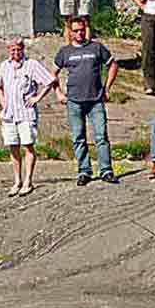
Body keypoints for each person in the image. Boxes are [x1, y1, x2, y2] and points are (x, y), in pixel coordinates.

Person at [52, 15, 119, 186]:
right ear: (70, 32)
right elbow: (52, 73)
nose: (79, 33)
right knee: (78, 137)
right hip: (74, 101)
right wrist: (59, 93)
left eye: (82, 30)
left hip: (96, 100)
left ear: (86, 29)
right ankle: (84, 171)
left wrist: (107, 88)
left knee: (101, 136)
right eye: (76, 31)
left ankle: (106, 170)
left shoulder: (96, 47)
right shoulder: (64, 52)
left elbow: (112, 65)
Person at [0, 37, 57, 196]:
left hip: (26, 114)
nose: (16, 52)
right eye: (13, 49)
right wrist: (2, 101)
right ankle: (17, 181)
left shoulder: (32, 64)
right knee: (13, 147)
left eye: (18, 49)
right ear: (9, 50)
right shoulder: (4, 65)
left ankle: (28, 181)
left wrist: (37, 98)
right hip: (9, 114)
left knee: (28, 145)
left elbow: (50, 81)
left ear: (23, 49)